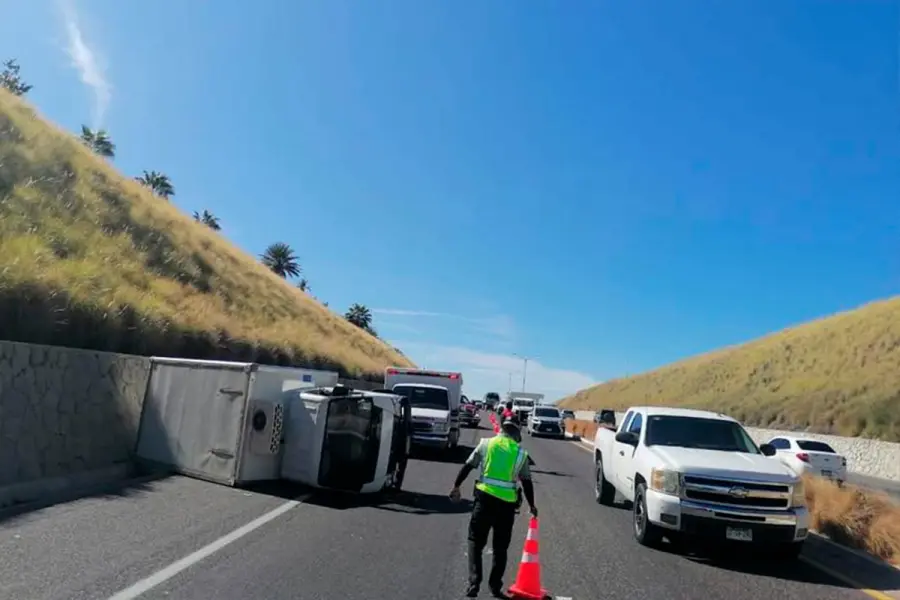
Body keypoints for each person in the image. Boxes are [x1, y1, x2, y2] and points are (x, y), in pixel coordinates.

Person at [450, 418, 538, 598]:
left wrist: (456, 486)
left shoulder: (486, 444)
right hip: (506, 505)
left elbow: (468, 466)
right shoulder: (520, 453)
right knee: (501, 547)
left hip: (484, 500)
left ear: (501, 430)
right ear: (516, 435)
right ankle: (495, 586)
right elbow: (527, 482)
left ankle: (474, 583)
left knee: (475, 540)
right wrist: (532, 505)